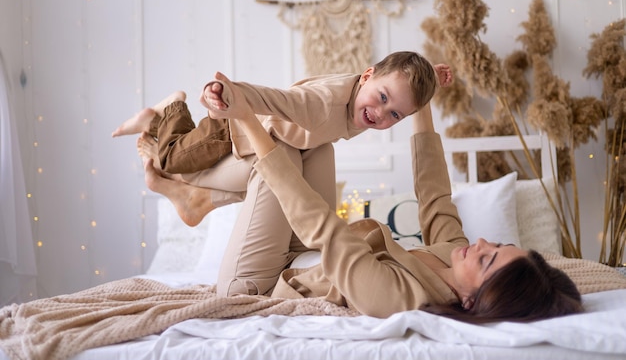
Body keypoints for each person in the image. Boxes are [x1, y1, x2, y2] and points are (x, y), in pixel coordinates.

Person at [143, 80, 583, 323]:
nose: (483, 243)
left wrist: (245, 119)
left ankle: (187, 180)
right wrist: (423, 101)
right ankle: (196, 196)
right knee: (317, 143)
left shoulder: (402, 299)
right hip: (300, 252)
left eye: (487, 261)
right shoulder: (452, 255)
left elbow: (324, 227)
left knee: (270, 160)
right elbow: (434, 194)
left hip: (257, 282)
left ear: (472, 302)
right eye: (497, 245)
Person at [113, 51, 452, 176]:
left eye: (395, 115)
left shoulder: (367, 96)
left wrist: (432, 78)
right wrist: (226, 94)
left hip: (266, 139)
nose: (380, 114)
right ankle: (171, 106)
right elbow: (272, 98)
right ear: (366, 76)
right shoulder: (319, 104)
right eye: (381, 98)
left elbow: (401, 88)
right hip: (230, 129)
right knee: (172, 161)